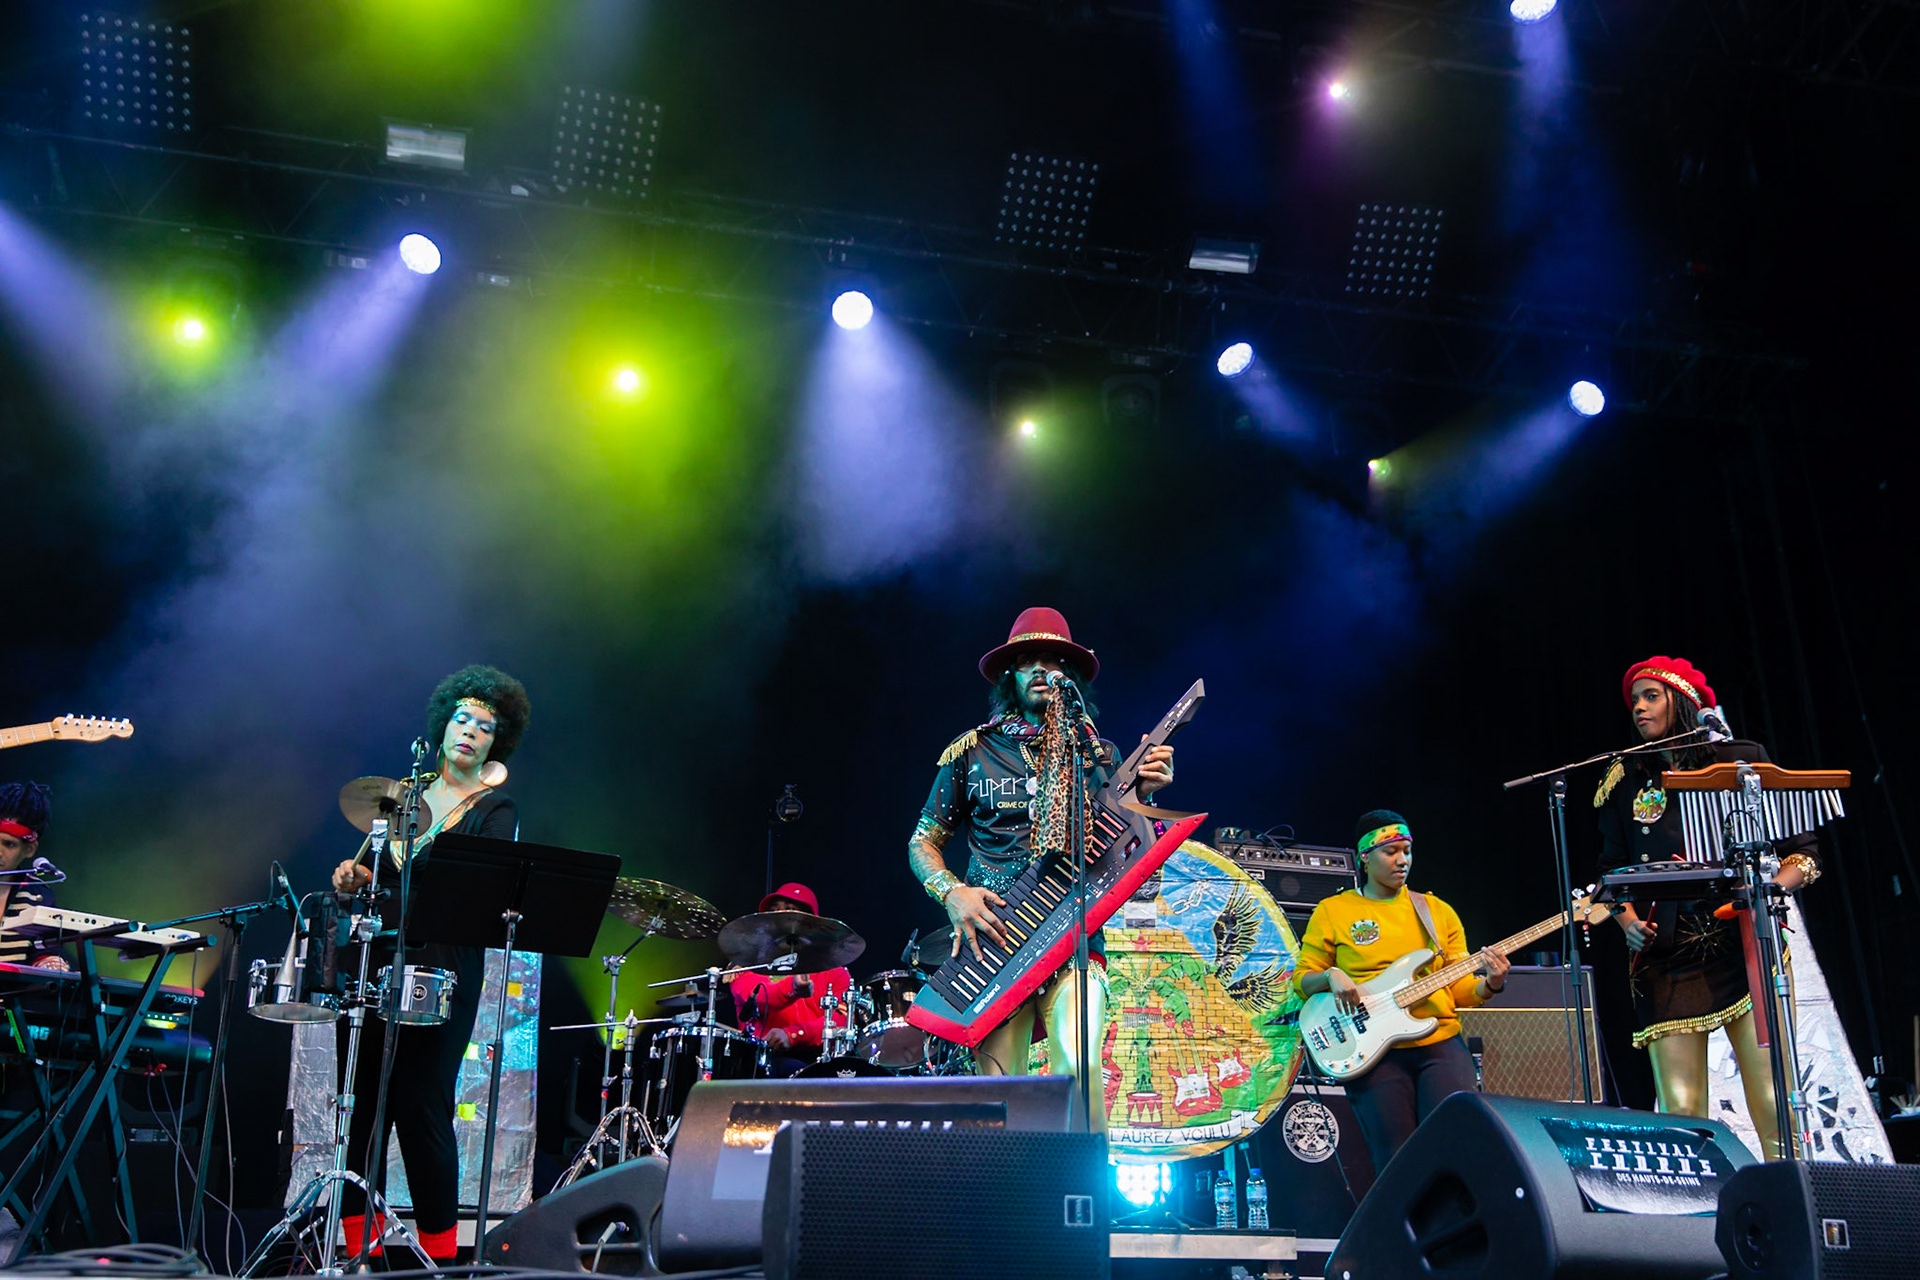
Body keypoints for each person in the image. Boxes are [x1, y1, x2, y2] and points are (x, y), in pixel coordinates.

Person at [906, 606, 1174, 1081]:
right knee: (1002, 1085)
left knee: (1080, 1067)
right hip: (993, 939)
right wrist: (952, 893)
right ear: (1009, 675)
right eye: (1027, 660)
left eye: (1052, 660)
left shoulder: (1098, 755)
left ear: (1070, 676)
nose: (1040, 669)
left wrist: (1145, 798)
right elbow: (922, 841)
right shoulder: (972, 751)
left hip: (1071, 934)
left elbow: (1134, 859)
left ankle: (1081, 1137)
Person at [328, 664, 530, 1262]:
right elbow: (370, 878)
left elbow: (481, 888)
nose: (469, 731)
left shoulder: (496, 808)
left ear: (495, 743)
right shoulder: (400, 798)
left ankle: (440, 1260)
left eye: (484, 727)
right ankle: (359, 1259)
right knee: (361, 1113)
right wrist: (353, 878)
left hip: (444, 969)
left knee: (423, 1109)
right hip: (375, 964)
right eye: (462, 719)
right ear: (443, 726)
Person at [1596, 655, 1817, 1159]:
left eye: (1651, 697)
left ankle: (1793, 1199)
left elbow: (1803, 853)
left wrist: (1770, 891)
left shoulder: (1739, 760)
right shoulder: (1626, 776)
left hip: (1742, 947)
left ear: (1683, 702)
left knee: (1773, 1103)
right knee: (1682, 1116)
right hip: (1665, 957)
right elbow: (1611, 873)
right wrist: (1627, 922)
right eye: (1634, 701)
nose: (1639, 708)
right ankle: (1698, 1210)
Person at [1292, 810, 1509, 1173]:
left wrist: (1491, 984)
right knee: (1397, 1160)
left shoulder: (1437, 912)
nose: (1402, 860)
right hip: (1372, 1051)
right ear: (1365, 856)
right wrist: (1331, 975)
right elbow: (1301, 980)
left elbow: (1457, 989)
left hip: (1440, 1043)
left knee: (1455, 1145)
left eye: (1407, 851)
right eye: (1391, 851)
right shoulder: (1334, 911)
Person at [728, 882, 854, 1075]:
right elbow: (760, 998)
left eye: (790, 910)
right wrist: (792, 989)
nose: (778, 917)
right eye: (774, 910)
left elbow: (842, 1020)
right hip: (761, 1062)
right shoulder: (746, 965)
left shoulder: (835, 972)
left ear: (811, 925)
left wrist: (794, 1034)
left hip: (817, 1062)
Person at [0, 782, 70, 971]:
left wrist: (50, 963)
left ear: (29, 849)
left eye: (9, 844)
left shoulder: (38, 895)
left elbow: (45, 948)